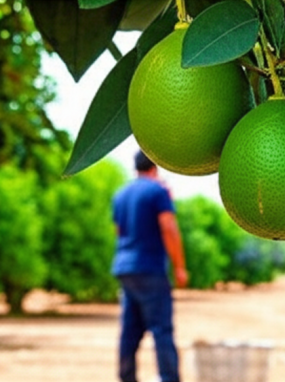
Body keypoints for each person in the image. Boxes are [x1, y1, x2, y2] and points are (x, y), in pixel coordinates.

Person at [112, 150, 188, 382]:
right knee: (161, 329)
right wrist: (179, 266)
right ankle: (169, 378)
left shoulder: (121, 194)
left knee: (130, 330)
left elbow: (118, 231)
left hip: (125, 267)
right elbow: (168, 227)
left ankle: (127, 377)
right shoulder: (158, 191)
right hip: (150, 267)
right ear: (155, 167)